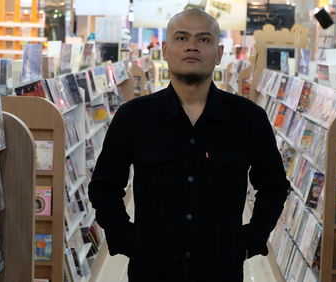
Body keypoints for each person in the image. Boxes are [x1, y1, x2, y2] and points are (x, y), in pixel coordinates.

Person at [88, 8, 290, 282]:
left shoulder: (249, 119)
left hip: (221, 272)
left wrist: (251, 239)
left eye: (204, 39)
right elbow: (104, 186)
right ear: (165, 50)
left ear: (219, 54)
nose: (192, 46)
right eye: (181, 38)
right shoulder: (134, 116)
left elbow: (274, 186)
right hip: (152, 271)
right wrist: (125, 238)